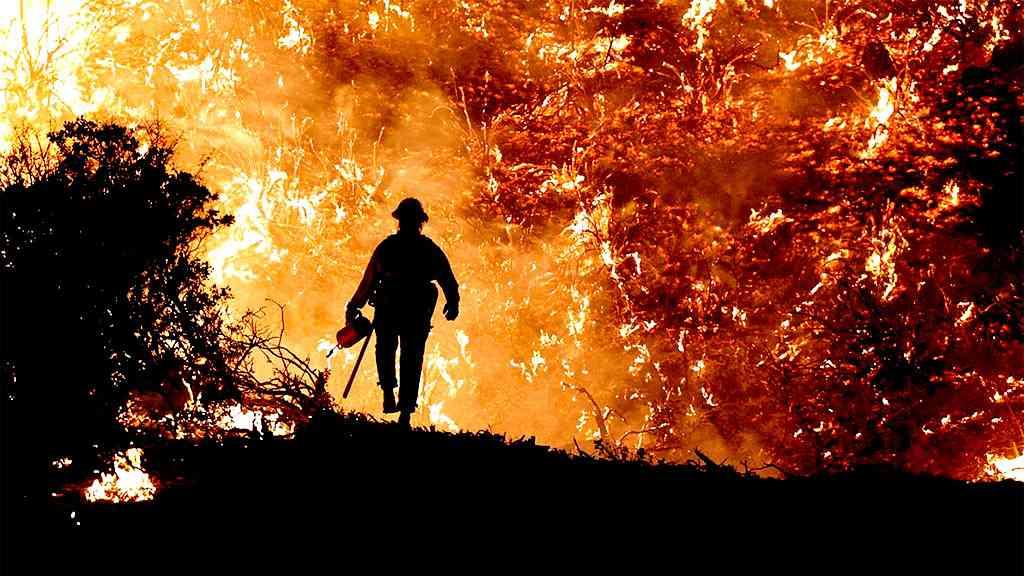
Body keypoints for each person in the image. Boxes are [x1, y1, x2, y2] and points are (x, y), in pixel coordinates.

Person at [346, 198, 459, 428]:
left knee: (392, 351)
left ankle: (397, 401)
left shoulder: (390, 247)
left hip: (395, 306)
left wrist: (354, 305)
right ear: (420, 222)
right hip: (411, 308)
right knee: (408, 355)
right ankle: (400, 406)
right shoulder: (426, 249)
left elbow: (369, 280)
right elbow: (447, 278)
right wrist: (452, 301)